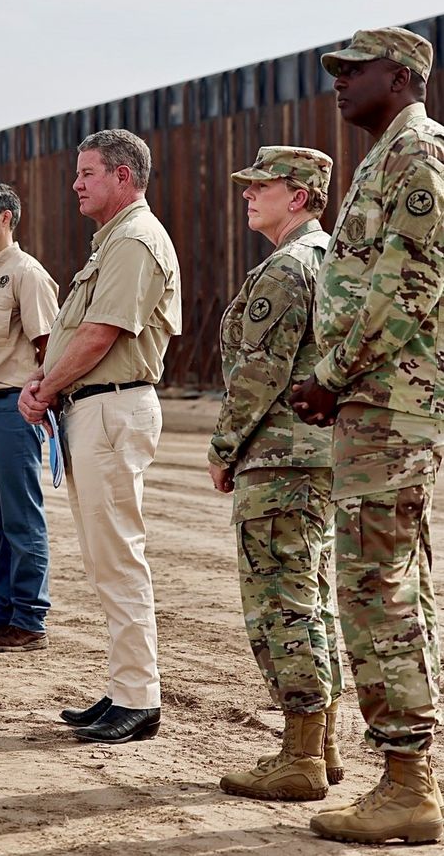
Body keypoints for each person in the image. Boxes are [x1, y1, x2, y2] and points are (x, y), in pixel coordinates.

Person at [289, 27, 444, 844]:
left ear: (403, 74)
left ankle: (407, 784)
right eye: (336, 73)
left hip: (387, 404)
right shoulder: (385, 156)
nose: (339, 84)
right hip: (374, 402)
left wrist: (334, 374)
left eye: (354, 71)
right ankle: (404, 774)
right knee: (389, 584)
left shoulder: (415, 154)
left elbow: (406, 285)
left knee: (374, 590)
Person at [19, 128, 181, 743]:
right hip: (93, 409)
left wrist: (46, 387)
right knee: (103, 557)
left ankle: (138, 698)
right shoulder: (112, 241)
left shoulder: (135, 240)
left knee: (117, 557)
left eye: (88, 173)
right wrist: (48, 382)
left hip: (112, 410)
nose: (76, 183)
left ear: (123, 176)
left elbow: (101, 334)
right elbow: (76, 334)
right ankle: (124, 690)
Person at [208, 146, 345, 801]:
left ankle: (300, 758)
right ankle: (322, 745)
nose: (246, 194)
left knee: (278, 609)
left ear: (297, 195)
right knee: (312, 605)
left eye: (259, 185)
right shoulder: (333, 262)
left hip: (279, 461)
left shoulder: (287, 268)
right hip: (318, 459)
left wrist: (223, 448)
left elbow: (259, 374)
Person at [0, 181, 59, 652]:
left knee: (21, 516)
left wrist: (42, 402)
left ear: (5, 217)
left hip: (11, 407)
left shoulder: (27, 274)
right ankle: (2, 613)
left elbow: (49, 348)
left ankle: (29, 618)